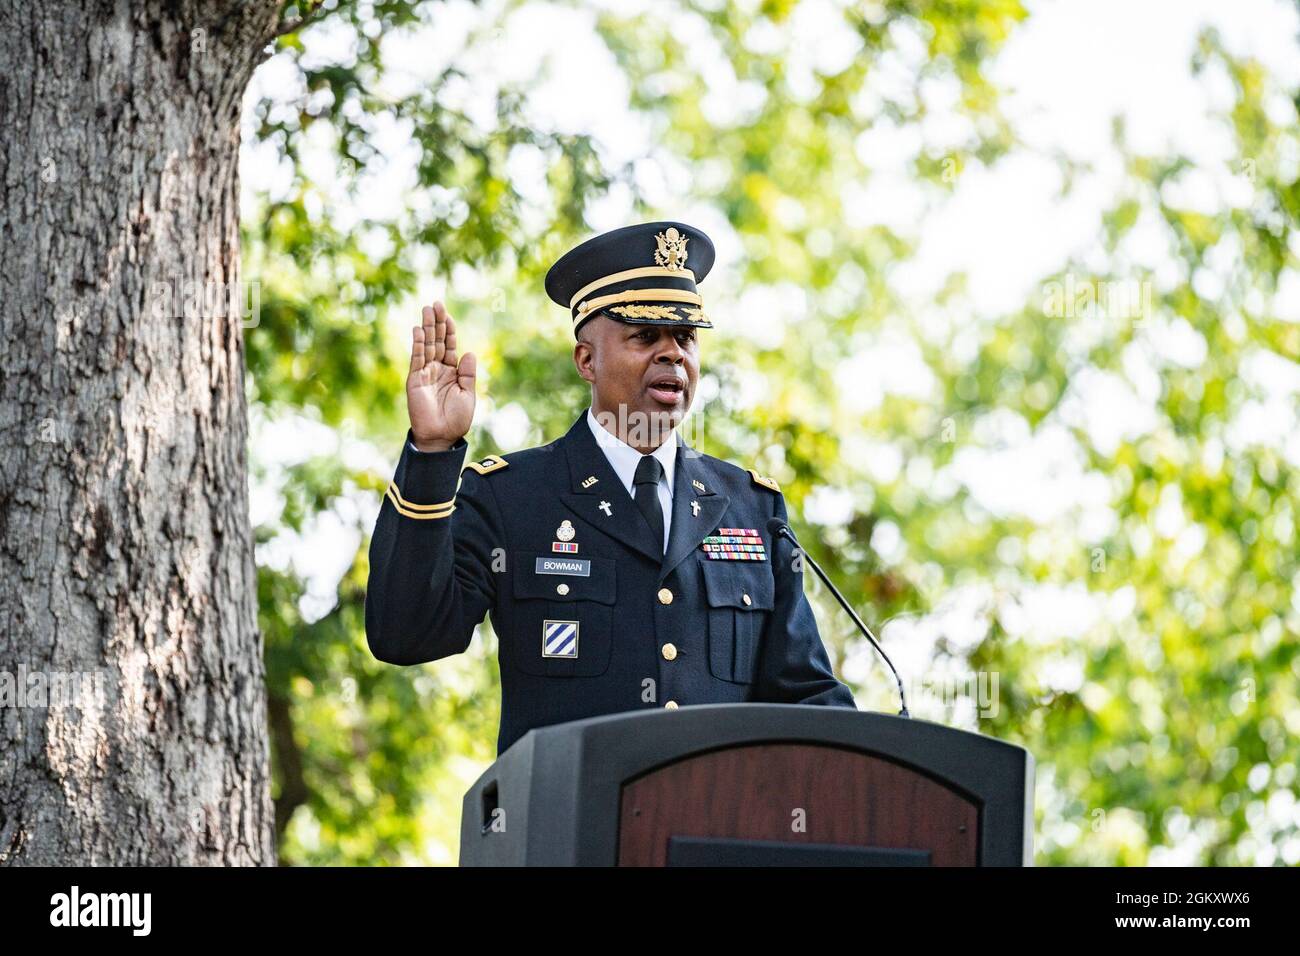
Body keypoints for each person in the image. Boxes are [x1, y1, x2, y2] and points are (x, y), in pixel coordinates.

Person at [365, 220, 856, 754]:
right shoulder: (513, 496)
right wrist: (432, 453)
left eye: (686, 338)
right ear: (586, 360)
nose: (673, 354)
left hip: (712, 827)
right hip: (570, 828)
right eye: (645, 336)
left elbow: (805, 696)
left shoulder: (753, 508)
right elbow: (405, 634)